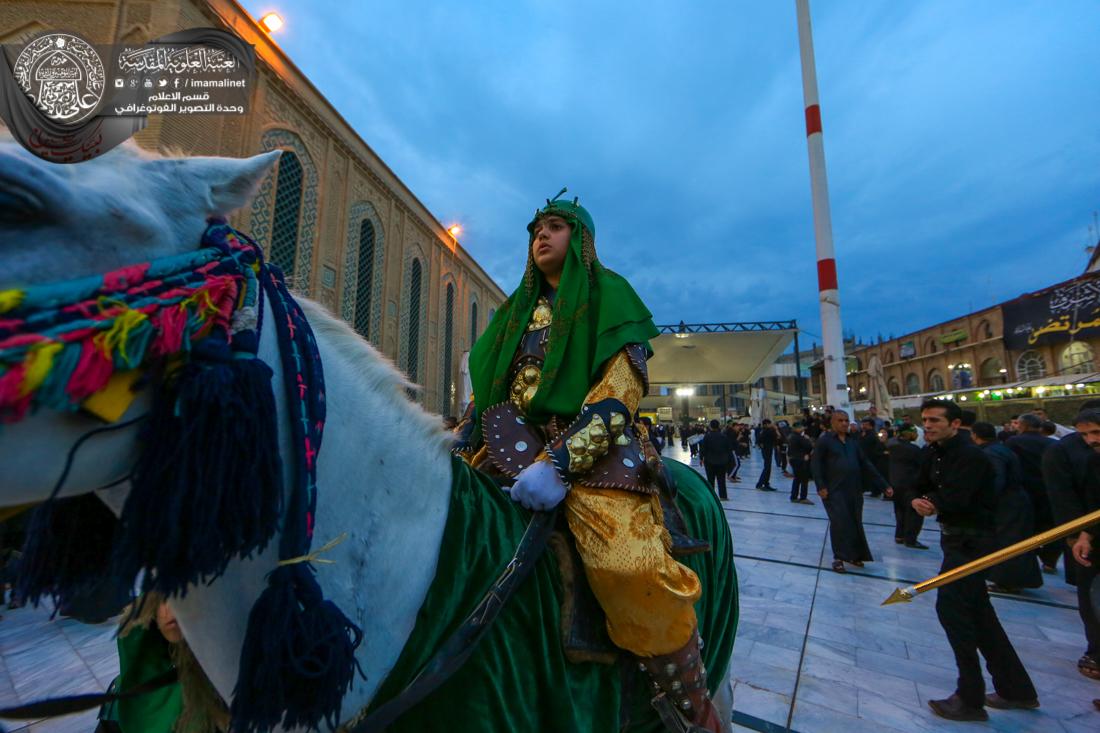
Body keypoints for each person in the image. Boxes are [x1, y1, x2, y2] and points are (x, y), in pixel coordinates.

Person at [459, 193, 721, 729]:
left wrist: (559, 463)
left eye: (555, 226)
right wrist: (461, 439)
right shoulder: (515, 312)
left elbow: (619, 391)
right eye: (535, 228)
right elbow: (489, 391)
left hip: (593, 448)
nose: (541, 235)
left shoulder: (610, 294)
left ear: (580, 240)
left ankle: (689, 702)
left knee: (628, 566)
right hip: (508, 442)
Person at [912, 399, 1038, 721]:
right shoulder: (934, 453)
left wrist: (933, 502)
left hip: (973, 542)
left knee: (952, 609)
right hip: (954, 538)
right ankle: (1015, 688)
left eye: (935, 420)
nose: (928, 425)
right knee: (980, 613)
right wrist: (924, 498)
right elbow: (919, 484)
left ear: (955, 424)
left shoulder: (971, 456)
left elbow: (960, 497)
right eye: (925, 420)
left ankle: (969, 698)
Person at [1044, 403, 1100, 681]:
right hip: (1090, 540)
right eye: (1086, 434)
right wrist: (1079, 535)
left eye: (1096, 432)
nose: (1092, 440)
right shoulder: (1074, 454)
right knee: (1092, 596)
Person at [811, 410, 890, 572]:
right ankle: (839, 557)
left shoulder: (853, 442)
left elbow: (866, 464)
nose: (844, 423)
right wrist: (821, 486)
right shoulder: (825, 441)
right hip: (834, 490)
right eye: (840, 420)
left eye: (846, 420)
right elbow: (816, 465)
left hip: (853, 489)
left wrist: (884, 485)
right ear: (832, 422)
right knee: (839, 522)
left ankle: (854, 555)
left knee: (854, 521)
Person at [971, 422, 1042, 593]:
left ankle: (1008, 581)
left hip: (1008, 503)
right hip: (1015, 500)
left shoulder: (991, 453)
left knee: (1008, 541)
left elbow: (996, 480)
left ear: (975, 435)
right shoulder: (1000, 448)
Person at [1007, 413, 1060, 572]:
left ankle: (1027, 560)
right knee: (1050, 528)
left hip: (1024, 491)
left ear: (1022, 426)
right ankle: (1050, 561)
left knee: (1023, 529)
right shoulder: (1052, 444)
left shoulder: (1014, 442)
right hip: (1048, 491)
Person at [886, 424, 926, 548]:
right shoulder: (914, 449)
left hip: (895, 482)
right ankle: (910, 539)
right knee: (913, 512)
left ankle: (899, 535)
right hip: (910, 484)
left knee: (899, 510)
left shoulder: (892, 446)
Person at [700, 419, 733, 500]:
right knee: (721, 480)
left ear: (710, 426)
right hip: (722, 462)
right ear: (718, 426)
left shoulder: (707, 436)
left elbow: (703, 449)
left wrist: (701, 458)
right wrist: (729, 461)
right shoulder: (724, 437)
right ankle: (723, 496)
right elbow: (729, 449)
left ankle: (711, 497)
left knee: (710, 480)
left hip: (709, 461)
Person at [859, 417, 888, 498]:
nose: (863, 426)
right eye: (863, 424)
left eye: (866, 425)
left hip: (872, 459)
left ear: (871, 426)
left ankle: (876, 491)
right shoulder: (863, 434)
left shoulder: (873, 435)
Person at [787, 422, 814, 505]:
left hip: (794, 459)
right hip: (800, 460)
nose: (802, 429)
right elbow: (808, 446)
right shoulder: (799, 437)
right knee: (804, 479)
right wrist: (807, 439)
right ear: (796, 428)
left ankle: (794, 497)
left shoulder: (791, 436)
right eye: (801, 428)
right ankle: (803, 497)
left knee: (797, 478)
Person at [756, 419, 778, 491]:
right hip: (767, 451)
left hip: (767, 450)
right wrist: (776, 429)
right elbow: (777, 437)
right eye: (769, 424)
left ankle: (765, 483)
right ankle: (760, 484)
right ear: (766, 424)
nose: (770, 425)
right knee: (767, 468)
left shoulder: (764, 431)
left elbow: (759, 440)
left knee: (768, 468)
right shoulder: (768, 431)